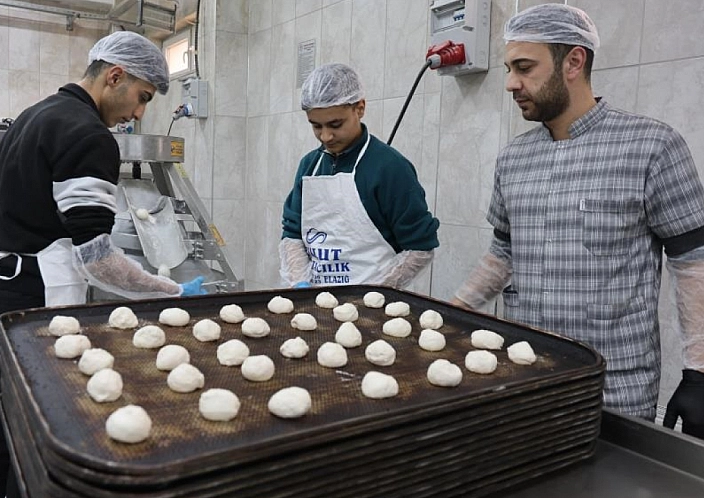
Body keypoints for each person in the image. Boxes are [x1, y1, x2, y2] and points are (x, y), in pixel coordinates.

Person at [0, 31, 206, 498]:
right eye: (141, 98)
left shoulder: (36, 115)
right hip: (35, 299)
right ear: (115, 76)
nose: (137, 113)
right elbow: (97, 259)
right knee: (33, 434)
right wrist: (171, 293)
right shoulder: (88, 134)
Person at [452, 4, 704, 438]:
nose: (511, 83)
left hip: (612, 391)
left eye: (525, 67)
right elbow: (503, 253)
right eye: (511, 68)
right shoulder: (514, 158)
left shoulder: (651, 146)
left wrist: (699, 370)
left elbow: (693, 262)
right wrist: (448, 314)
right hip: (522, 378)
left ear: (574, 61)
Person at [279, 63, 440, 289]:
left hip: (372, 312)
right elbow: (292, 233)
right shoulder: (310, 165)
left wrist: (375, 294)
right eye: (316, 126)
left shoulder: (389, 168)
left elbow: (420, 248)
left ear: (360, 108)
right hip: (315, 303)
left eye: (336, 124)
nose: (325, 136)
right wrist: (300, 283)